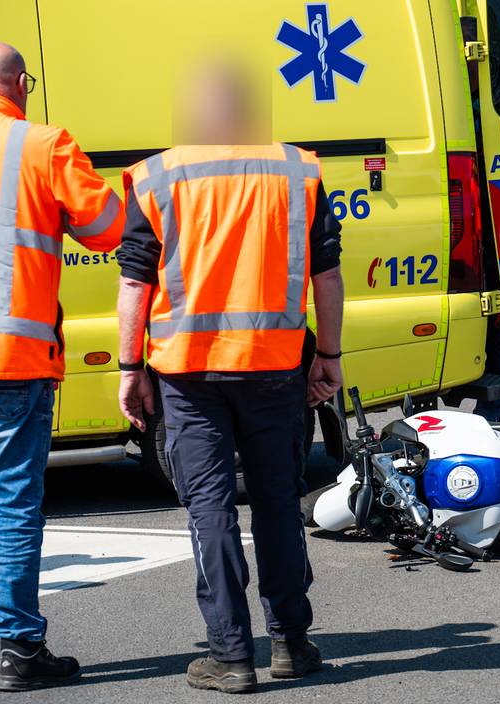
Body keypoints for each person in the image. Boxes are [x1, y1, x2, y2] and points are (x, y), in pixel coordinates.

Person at [115, 64, 344, 694]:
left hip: (187, 373)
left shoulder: (158, 175)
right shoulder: (296, 171)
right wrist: (329, 354)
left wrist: (130, 368)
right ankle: (292, 644)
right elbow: (326, 274)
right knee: (276, 503)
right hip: (273, 364)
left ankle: (231, 655)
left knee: (209, 508)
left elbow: (135, 282)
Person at [0, 42, 125, 692]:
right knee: (13, 502)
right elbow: (107, 227)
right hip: (16, 359)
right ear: (19, 83)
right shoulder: (42, 146)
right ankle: (18, 648)